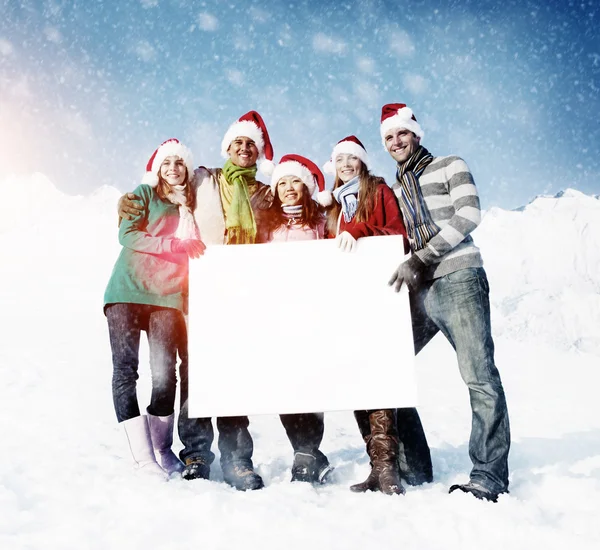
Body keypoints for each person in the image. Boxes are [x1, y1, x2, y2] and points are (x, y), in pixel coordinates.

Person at [118, 111, 275, 491]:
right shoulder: (206, 178)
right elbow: (168, 183)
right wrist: (133, 197)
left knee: (231, 368)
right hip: (195, 286)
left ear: (258, 153)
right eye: (237, 142)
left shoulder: (264, 193)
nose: (243, 148)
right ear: (226, 148)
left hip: (238, 288)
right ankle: (197, 454)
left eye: (250, 144)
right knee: (194, 371)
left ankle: (238, 460)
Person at [384, 103, 511, 502]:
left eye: (401, 133)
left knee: (479, 375)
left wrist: (421, 256)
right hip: (421, 289)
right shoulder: (394, 188)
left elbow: (469, 214)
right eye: (388, 137)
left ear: (416, 134)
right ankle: (414, 465)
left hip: (458, 276)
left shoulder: (449, 164)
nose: (396, 142)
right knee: (386, 366)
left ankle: (489, 474)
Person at [322, 135, 433, 495]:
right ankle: (378, 466)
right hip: (343, 301)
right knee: (356, 377)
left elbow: (397, 236)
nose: (346, 166)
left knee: (382, 375)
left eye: (352, 160)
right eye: (340, 162)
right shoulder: (333, 208)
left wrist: (360, 230)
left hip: (380, 295)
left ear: (362, 163)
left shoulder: (379, 191)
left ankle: (392, 469)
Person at [105, 138, 205, 480]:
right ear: (157, 169)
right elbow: (127, 235)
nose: (173, 169)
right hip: (128, 290)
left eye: (180, 163)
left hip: (167, 295)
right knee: (126, 370)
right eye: (167, 163)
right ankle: (144, 457)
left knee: (164, 374)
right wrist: (173, 244)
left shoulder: (194, 203)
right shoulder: (144, 194)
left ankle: (162, 449)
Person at [266, 153, 334, 483]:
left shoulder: (321, 220)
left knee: (310, 382)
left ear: (306, 186)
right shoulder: (268, 225)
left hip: (313, 311)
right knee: (284, 384)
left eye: (295, 181)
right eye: (282, 182)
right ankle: (304, 451)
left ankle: (306, 454)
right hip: (278, 312)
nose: (289, 188)